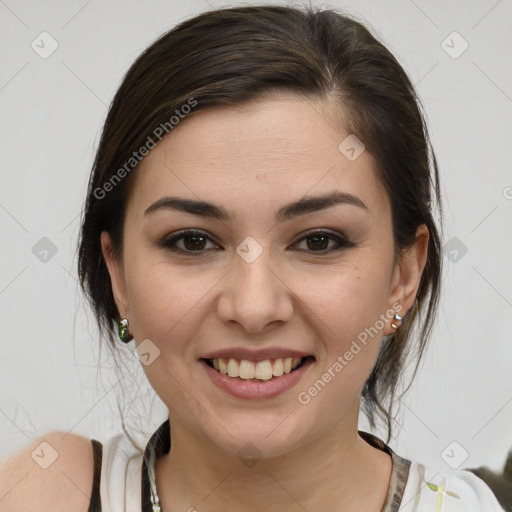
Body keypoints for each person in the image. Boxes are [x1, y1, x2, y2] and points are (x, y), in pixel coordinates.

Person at [0, 4, 505, 512]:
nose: (254, 307)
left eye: (319, 241)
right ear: (119, 274)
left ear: (404, 274)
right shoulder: (44, 493)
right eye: (192, 241)